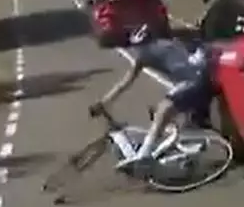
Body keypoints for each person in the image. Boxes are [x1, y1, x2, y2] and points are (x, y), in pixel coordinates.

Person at [88, 24, 214, 169]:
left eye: (141, 46)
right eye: (136, 47)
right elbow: (124, 83)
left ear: (151, 42)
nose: (138, 51)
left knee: (164, 109)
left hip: (195, 80)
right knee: (161, 114)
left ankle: (145, 154)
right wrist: (104, 102)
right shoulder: (143, 58)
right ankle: (182, 148)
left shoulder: (167, 47)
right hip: (186, 82)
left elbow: (190, 69)